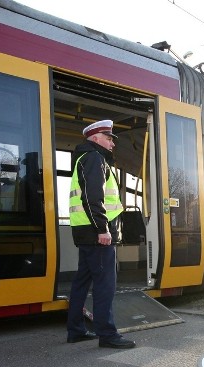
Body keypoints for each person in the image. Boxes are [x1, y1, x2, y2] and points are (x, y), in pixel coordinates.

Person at [66, 120, 136, 349]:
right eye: (109, 139)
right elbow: (92, 197)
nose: (113, 144)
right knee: (105, 285)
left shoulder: (83, 158)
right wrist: (102, 229)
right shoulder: (95, 158)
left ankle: (76, 330)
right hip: (97, 235)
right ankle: (107, 334)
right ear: (95, 138)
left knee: (81, 283)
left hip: (85, 232)